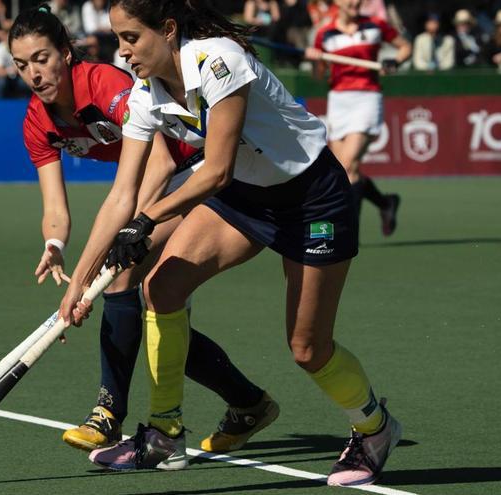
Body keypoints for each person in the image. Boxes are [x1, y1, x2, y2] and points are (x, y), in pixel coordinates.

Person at [59, 0, 401, 486]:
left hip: (312, 200)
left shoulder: (217, 59)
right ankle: (164, 434)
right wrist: (80, 280)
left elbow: (215, 169)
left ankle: (374, 429)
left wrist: (147, 220)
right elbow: (122, 195)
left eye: (131, 38)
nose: (123, 52)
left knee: (308, 349)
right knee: (162, 287)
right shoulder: (145, 94)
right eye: (118, 40)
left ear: (168, 30)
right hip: (246, 197)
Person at [8, 4, 278, 455]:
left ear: (66, 53)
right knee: (155, 311)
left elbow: (162, 160)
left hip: (189, 171)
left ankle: (108, 414)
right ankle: (247, 401)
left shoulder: (106, 85)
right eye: (21, 65)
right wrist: (55, 244)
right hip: (140, 191)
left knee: (127, 283)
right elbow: (55, 204)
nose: (33, 74)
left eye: (41, 58)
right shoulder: (37, 121)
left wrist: (136, 228)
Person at [306, 0, 410, 236]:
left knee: (349, 165)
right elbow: (318, 75)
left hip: (367, 97)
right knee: (342, 171)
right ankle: (386, 203)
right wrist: (315, 59)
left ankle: (347, 232)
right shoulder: (325, 34)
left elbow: (405, 47)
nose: (355, 2)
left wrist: (395, 61)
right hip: (339, 101)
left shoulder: (375, 26)